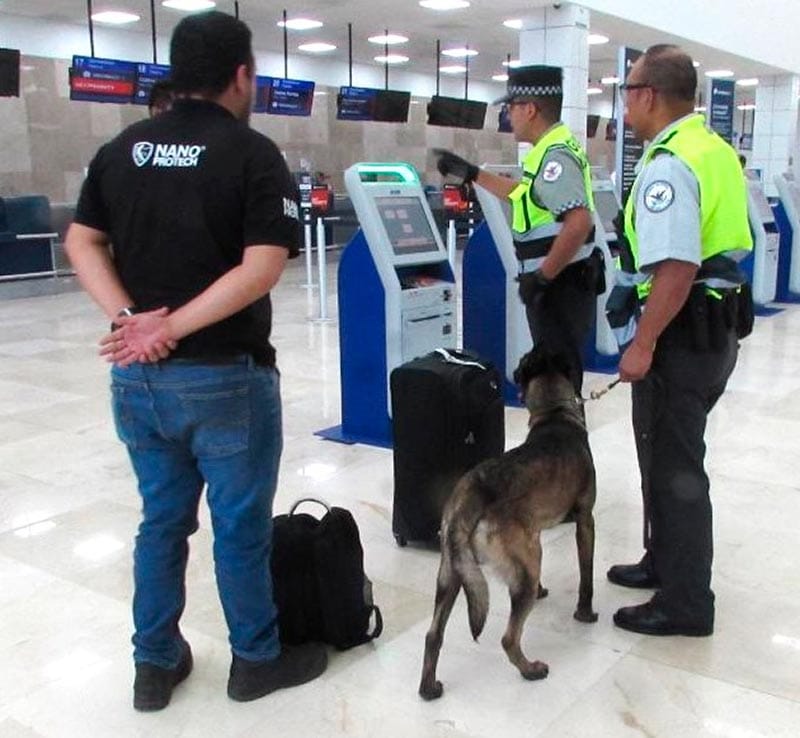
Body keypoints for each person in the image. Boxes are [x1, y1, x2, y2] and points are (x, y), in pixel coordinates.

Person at [64, 10, 327, 711]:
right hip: (224, 380)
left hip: (139, 382)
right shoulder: (250, 152)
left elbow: (81, 241)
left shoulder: (123, 149)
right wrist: (170, 326)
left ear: (175, 76)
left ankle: (154, 666)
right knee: (239, 527)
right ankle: (255, 661)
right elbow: (263, 266)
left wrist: (131, 323)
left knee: (161, 522)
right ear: (243, 75)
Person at [606, 45, 753, 636]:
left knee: (677, 470)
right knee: (665, 458)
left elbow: (675, 266)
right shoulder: (714, 149)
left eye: (627, 92)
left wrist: (642, 343)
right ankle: (662, 563)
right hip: (714, 332)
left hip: (680, 337)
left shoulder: (668, 163)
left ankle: (687, 603)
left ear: (646, 95)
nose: (624, 105)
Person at [434, 65, 601, 395]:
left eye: (511, 107)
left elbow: (578, 223)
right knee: (556, 378)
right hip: (560, 285)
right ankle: (559, 442)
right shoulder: (546, 152)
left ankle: (559, 444)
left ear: (530, 108)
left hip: (561, 287)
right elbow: (523, 196)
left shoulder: (555, 157)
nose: (508, 114)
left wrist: (543, 277)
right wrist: (472, 174)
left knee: (558, 386)